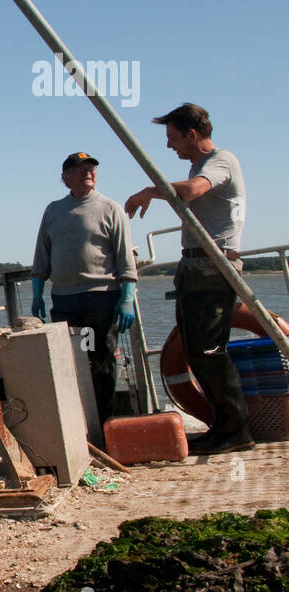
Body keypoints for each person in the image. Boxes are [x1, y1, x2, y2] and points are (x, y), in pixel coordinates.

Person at [125, 103, 251, 454]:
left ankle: (235, 429)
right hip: (196, 265)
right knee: (198, 350)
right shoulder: (201, 163)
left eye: (173, 137)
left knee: (208, 351)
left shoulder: (219, 161)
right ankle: (224, 426)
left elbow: (194, 190)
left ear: (192, 135)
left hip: (213, 267)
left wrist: (150, 190)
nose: (169, 146)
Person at [31, 152, 138, 426]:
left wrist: (127, 298)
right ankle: (78, 425)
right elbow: (42, 255)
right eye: (79, 169)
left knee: (100, 362)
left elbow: (126, 258)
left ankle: (103, 424)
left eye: (91, 168)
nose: (87, 172)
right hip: (65, 300)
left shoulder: (110, 208)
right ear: (65, 178)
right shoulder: (53, 210)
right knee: (70, 363)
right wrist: (36, 293)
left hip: (101, 299)